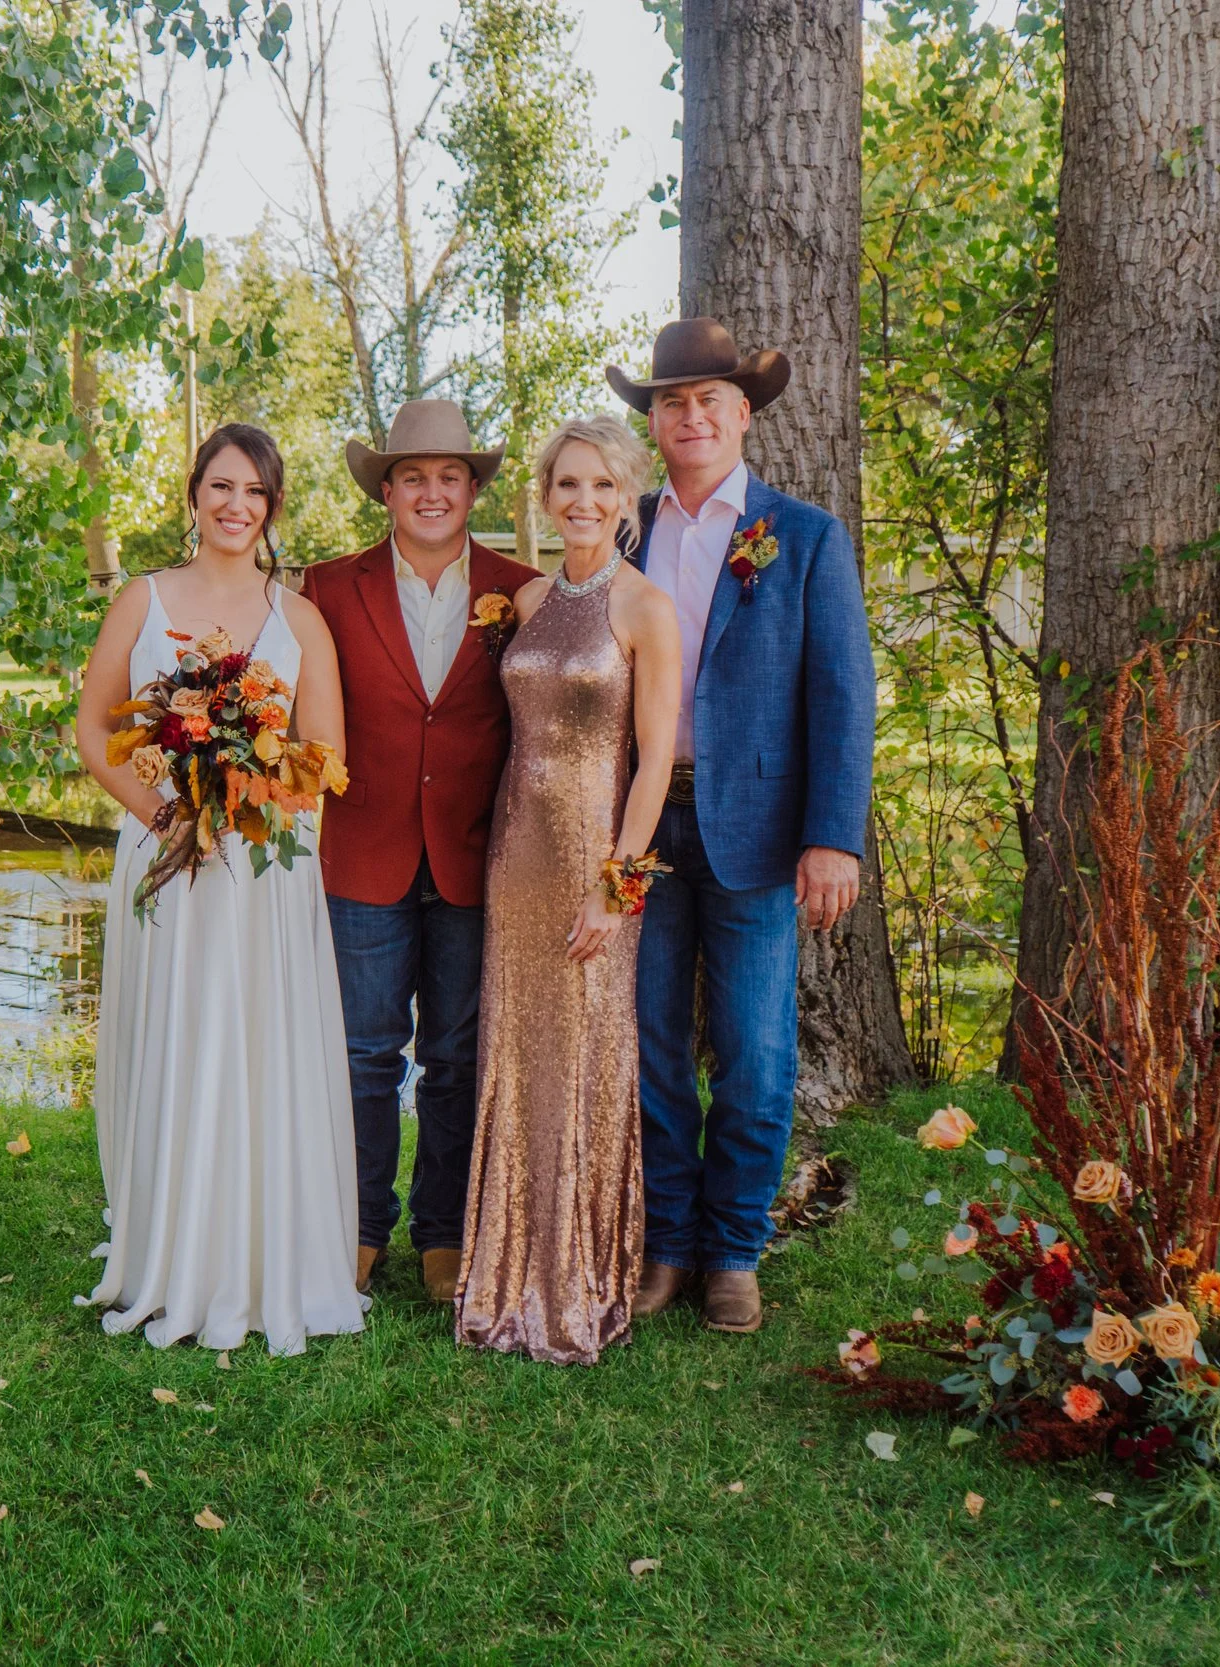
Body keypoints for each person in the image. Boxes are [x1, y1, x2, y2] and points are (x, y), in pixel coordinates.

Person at [70, 424, 366, 1356]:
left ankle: (256, 1252)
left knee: (256, 1047)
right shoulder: (143, 599)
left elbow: (324, 761)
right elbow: (93, 736)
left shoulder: (299, 615)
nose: (237, 506)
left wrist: (237, 799)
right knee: (179, 1036)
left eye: (255, 492)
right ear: (194, 492)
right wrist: (171, 814)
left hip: (259, 869)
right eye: (221, 487)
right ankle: (169, 1249)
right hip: (168, 860)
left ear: (272, 507)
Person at [608, 318, 876, 1335]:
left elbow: (841, 693)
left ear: (742, 414)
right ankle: (666, 1242)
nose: (690, 415)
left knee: (758, 1056)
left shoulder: (800, 535)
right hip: (641, 826)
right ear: (657, 420)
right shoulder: (623, 527)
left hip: (759, 832)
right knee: (650, 1049)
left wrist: (832, 834)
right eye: (672, 401)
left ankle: (734, 1248)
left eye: (708, 399)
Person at [456, 414, 682, 1365]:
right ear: (544, 499)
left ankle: (581, 1274)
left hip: (594, 870)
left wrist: (617, 887)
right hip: (516, 860)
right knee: (515, 1049)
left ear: (623, 496)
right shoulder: (530, 597)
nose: (581, 501)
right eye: (565, 486)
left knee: (585, 1056)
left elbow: (657, 758)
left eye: (599, 486)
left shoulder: (645, 608)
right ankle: (501, 1267)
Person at [300, 401, 537, 1304]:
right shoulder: (327, 587)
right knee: (363, 1054)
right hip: (361, 852)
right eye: (413, 477)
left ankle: (446, 1233)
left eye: (450, 476)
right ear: (386, 491)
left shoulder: (521, 589)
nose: (431, 492)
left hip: (479, 859)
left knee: (457, 1053)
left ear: (473, 488)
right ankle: (359, 1226)